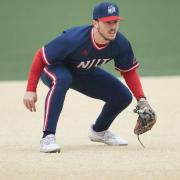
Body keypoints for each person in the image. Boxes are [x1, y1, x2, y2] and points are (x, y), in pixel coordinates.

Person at [23, 2, 155, 153]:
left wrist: (141, 99)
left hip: (83, 71)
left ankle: (99, 131)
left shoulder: (120, 43)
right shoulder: (73, 39)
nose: (113, 27)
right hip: (54, 69)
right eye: (107, 22)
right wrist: (30, 89)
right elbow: (41, 56)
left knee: (123, 96)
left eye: (115, 22)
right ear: (95, 23)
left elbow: (129, 71)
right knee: (63, 79)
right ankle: (47, 137)